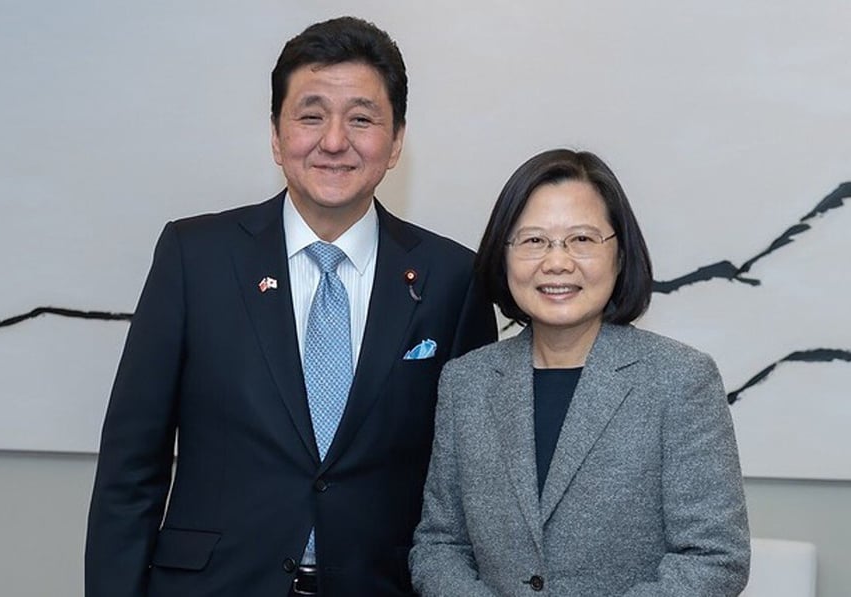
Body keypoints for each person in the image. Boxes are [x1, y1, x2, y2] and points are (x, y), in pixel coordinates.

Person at [85, 16, 497, 597]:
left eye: (362, 118)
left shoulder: (452, 278)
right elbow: (131, 468)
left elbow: (471, 483)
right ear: (277, 137)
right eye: (310, 116)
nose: (334, 141)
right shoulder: (195, 257)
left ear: (397, 139)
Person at [410, 149, 750, 595]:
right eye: (533, 241)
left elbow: (714, 557)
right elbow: (439, 545)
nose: (557, 262)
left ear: (621, 254)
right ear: (503, 256)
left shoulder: (680, 379)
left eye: (582, 240)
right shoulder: (466, 384)